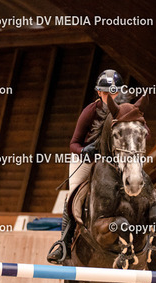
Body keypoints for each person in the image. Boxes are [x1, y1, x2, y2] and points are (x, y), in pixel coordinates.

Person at [46, 69, 123, 264]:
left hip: (115, 161)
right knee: (73, 195)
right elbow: (73, 143)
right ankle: (64, 242)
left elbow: (144, 131)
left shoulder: (126, 110)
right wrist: (83, 151)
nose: (110, 97)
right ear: (99, 92)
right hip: (88, 159)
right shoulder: (90, 111)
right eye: (106, 93)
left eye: (114, 92)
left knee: (139, 186)